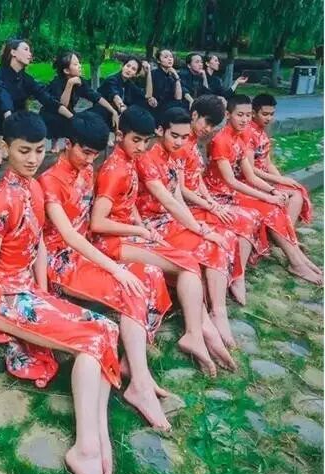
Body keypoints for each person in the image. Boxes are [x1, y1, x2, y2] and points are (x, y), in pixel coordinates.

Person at [0, 111, 120, 474]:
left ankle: (98, 434)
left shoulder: (32, 186)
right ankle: (86, 448)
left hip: (29, 293)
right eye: (23, 150)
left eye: (38, 150)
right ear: (5, 147)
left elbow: (40, 244)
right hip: (5, 301)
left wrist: (46, 297)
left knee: (107, 329)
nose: (33, 159)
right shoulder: (1, 200)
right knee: (91, 342)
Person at [38, 111, 173, 431]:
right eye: (85, 152)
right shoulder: (50, 182)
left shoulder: (86, 170)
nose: (90, 160)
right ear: (67, 144)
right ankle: (140, 384)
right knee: (128, 284)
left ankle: (135, 370)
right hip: (61, 261)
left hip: (86, 253)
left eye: (95, 155)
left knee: (149, 274)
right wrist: (115, 268)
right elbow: (67, 235)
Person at [90, 106, 235, 373]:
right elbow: (97, 223)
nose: (142, 147)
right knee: (185, 264)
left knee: (187, 261)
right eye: (136, 140)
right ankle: (198, 330)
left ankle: (200, 329)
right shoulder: (116, 169)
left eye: (145, 141)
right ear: (120, 135)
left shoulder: (128, 161)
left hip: (132, 231)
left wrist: (140, 225)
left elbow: (128, 203)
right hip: (112, 241)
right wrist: (141, 230)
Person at [135, 107, 243, 348]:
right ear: (160, 131)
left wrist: (197, 226)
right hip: (152, 224)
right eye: (174, 135)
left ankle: (218, 311)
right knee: (207, 244)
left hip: (169, 220)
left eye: (184, 137)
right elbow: (168, 201)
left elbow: (177, 198)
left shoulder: (173, 157)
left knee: (216, 243)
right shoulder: (147, 158)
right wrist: (202, 229)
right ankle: (202, 322)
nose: (179, 142)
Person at [204, 94, 322, 285]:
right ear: (228, 115)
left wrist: (273, 191)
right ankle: (296, 262)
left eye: (247, 115)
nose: (245, 119)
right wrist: (267, 197)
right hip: (219, 194)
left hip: (234, 191)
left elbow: (250, 175)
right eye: (240, 115)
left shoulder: (241, 136)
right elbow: (232, 181)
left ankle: (298, 259)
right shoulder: (221, 140)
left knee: (276, 204)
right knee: (270, 208)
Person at [176, 95, 264, 306]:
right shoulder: (181, 143)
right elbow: (181, 189)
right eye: (206, 123)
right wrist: (210, 205)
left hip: (202, 199)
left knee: (250, 217)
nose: (208, 129)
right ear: (194, 115)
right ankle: (230, 281)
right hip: (187, 205)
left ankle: (238, 275)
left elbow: (197, 178)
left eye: (212, 125)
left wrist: (210, 201)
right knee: (236, 223)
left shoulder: (193, 142)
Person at [0, 39, 72, 165]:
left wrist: (72, 117)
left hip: (19, 117)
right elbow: (3, 97)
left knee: (39, 117)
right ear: (13, 52)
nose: (30, 54)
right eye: (25, 49)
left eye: (30, 50)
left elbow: (46, 98)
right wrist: (11, 123)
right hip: (0, 117)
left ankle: (16, 147)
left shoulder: (26, 79)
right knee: (0, 107)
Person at [247, 94, 313, 226]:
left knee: (296, 189)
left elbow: (268, 163)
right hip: (251, 181)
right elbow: (250, 169)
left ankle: (287, 231)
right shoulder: (248, 133)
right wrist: (279, 181)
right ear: (253, 113)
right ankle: (286, 233)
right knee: (295, 195)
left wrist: (282, 180)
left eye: (272, 114)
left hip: (265, 178)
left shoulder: (262, 133)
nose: (269, 118)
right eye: (265, 114)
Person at [41, 50, 119, 153]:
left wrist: (113, 111)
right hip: (52, 115)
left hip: (69, 113)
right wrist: (70, 84)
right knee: (63, 119)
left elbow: (95, 96)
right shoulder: (57, 83)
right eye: (76, 64)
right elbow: (61, 105)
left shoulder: (80, 81)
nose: (80, 66)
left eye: (79, 63)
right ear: (66, 70)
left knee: (102, 110)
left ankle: (101, 136)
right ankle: (55, 142)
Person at [90, 55, 154, 126]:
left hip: (114, 118)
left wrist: (149, 72)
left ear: (135, 74)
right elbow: (115, 96)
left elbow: (148, 95)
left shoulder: (129, 84)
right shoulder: (112, 80)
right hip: (99, 117)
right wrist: (124, 110)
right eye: (128, 66)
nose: (129, 70)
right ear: (122, 66)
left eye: (133, 69)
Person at [148, 49, 183, 118]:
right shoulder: (153, 74)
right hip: (156, 106)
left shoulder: (172, 76)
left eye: (171, 57)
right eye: (166, 57)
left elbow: (178, 98)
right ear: (158, 61)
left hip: (170, 106)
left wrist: (177, 77)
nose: (170, 59)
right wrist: (150, 98)